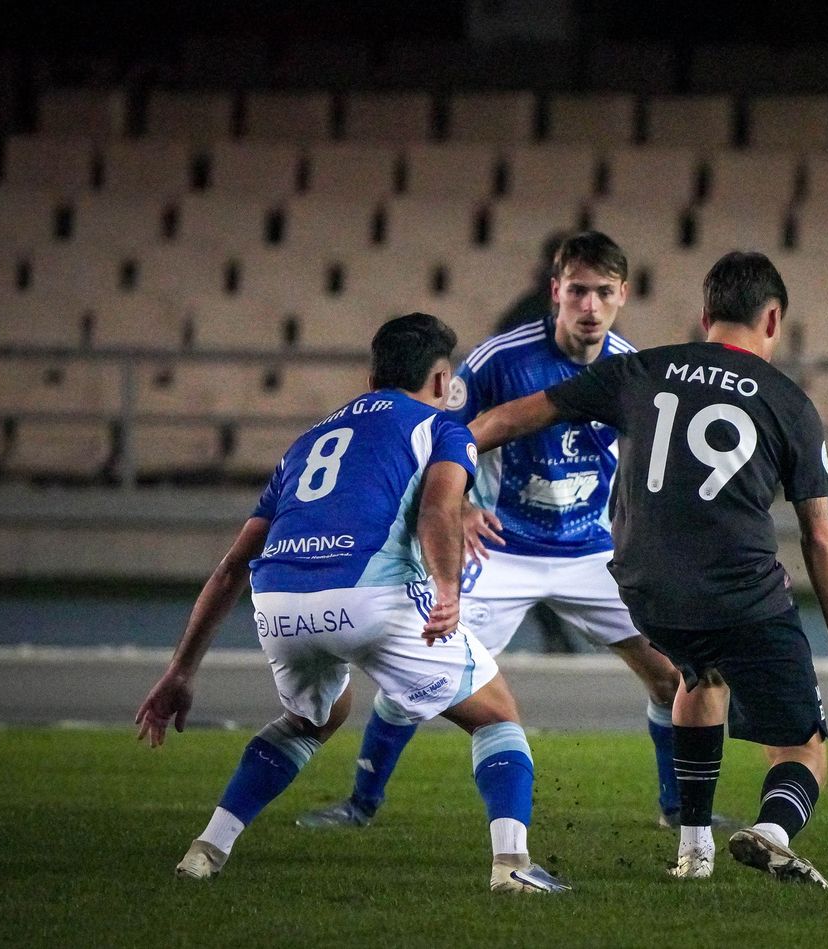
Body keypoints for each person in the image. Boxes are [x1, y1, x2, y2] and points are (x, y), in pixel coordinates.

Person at [469, 250, 828, 888]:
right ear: (772, 319)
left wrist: (443, 479)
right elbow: (821, 534)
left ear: (704, 316)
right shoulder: (789, 404)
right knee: (804, 742)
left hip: (644, 587)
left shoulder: (639, 369)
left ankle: (694, 847)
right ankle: (774, 830)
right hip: (739, 593)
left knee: (698, 680)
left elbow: (504, 420)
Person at [134, 313, 569, 894]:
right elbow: (440, 510)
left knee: (314, 719)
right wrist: (447, 590)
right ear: (443, 383)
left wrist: (180, 670)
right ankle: (512, 866)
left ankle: (207, 848)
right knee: (495, 715)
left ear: (371, 376)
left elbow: (233, 564)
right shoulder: (441, 427)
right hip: (370, 598)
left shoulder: (308, 441)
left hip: (280, 606)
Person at [297, 232, 708, 832]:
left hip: (591, 550)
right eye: (577, 292)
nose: (589, 306)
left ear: (623, 294)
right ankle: (360, 804)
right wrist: (460, 506)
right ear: (554, 293)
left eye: (601, 293)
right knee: (422, 670)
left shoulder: (632, 367)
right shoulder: (498, 360)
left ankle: (677, 810)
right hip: (501, 547)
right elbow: (437, 437)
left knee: (670, 673)